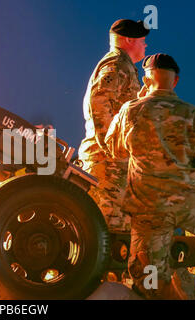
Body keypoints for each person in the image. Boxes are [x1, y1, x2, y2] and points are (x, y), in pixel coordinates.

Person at [105, 53, 195, 299]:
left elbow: (113, 148)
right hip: (188, 203)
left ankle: (159, 289)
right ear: (176, 81)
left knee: (148, 277)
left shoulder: (131, 111)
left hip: (149, 209)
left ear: (146, 80)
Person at [78, 19, 150, 232]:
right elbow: (98, 102)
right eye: (142, 41)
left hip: (115, 167)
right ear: (129, 39)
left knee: (119, 232)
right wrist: (113, 147)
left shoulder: (123, 66)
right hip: (107, 167)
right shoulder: (116, 64)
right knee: (106, 232)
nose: (145, 46)